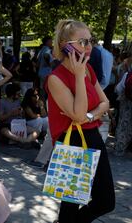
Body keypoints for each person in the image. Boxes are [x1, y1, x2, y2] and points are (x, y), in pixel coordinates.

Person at [47, 19, 115, 222]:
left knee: (106, 201)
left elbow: (105, 102)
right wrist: (78, 76)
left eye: (90, 41)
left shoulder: (88, 70)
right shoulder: (55, 78)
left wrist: (89, 116)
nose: (89, 47)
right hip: (71, 141)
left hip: (92, 136)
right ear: (65, 46)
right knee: (70, 203)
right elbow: (77, 115)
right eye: (82, 42)